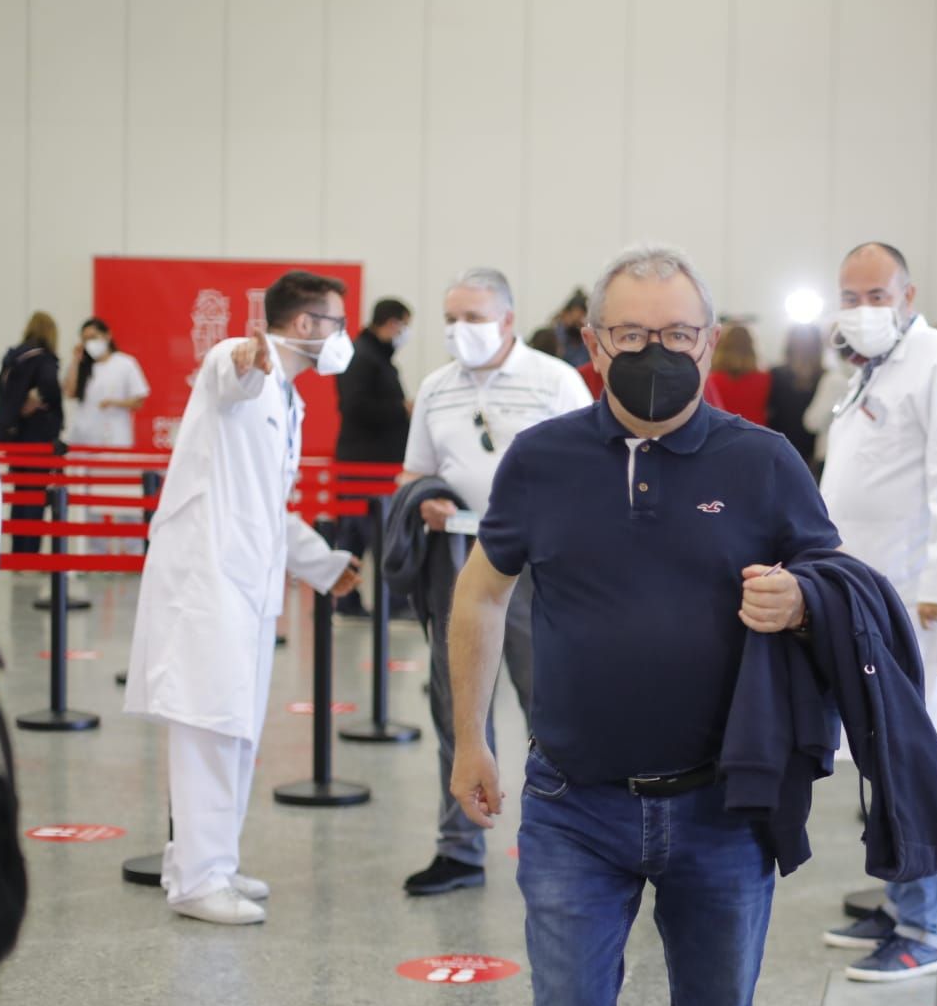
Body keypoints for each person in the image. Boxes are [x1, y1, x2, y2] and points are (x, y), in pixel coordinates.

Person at [445, 243, 839, 1006]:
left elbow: (835, 581)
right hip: (577, 804)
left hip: (722, 806)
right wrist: (469, 737)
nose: (653, 351)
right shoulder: (541, 459)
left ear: (709, 341)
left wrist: (801, 596)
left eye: (673, 334)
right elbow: (481, 593)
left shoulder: (763, 460)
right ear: (591, 340)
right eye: (631, 334)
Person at [124, 270, 362, 925]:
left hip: (248, 586)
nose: (344, 339)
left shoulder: (289, 399)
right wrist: (249, 354)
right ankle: (199, 882)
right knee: (208, 723)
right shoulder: (237, 367)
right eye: (338, 324)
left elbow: (268, 505)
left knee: (239, 727)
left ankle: (212, 863)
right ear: (308, 325)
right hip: (207, 583)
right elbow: (232, 371)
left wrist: (322, 563)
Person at [817, 242, 937, 982]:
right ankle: (901, 898)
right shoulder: (870, 367)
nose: (862, 310)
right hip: (861, 590)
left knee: (906, 756)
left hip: (912, 600)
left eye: (876, 295)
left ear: (910, 292)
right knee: (875, 750)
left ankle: (922, 926)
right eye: (850, 296)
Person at [399, 267, 593, 898]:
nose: (461, 330)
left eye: (474, 318)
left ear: (508, 320)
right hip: (456, 558)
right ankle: (459, 847)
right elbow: (416, 472)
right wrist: (424, 500)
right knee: (458, 707)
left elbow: (592, 472)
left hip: (540, 565)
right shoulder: (435, 387)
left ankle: (572, 843)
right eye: (451, 318)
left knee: (555, 704)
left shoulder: (554, 380)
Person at [333, 298, 412, 615]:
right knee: (379, 535)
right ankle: (390, 602)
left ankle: (350, 600)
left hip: (373, 461)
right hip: (367, 466)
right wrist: (401, 409)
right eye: (404, 325)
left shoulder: (377, 356)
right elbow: (354, 406)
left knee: (356, 536)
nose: (404, 333)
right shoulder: (363, 357)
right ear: (391, 323)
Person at [0, 313, 64, 555]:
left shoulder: (13, 357)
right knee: (35, 494)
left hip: (14, 434)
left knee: (20, 494)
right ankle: (31, 555)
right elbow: (51, 390)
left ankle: (17, 554)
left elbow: (3, 392)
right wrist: (40, 401)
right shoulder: (43, 358)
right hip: (38, 436)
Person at [63, 317, 149, 449]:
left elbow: (139, 400)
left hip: (115, 438)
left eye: (93, 337)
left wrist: (115, 403)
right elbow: (70, 392)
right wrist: (75, 360)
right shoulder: (83, 366)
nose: (89, 343)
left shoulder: (125, 363)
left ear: (107, 335)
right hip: (84, 438)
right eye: (85, 339)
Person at [765, 323, 824, 468]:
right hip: (811, 451)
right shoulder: (825, 376)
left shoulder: (775, 374)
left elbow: (768, 411)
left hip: (781, 447)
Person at [706, 324, 770, 426]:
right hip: (758, 435)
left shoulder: (711, 380)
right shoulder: (766, 379)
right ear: (751, 346)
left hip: (722, 437)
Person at [550, 287, 591, 368]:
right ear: (566, 314)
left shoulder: (585, 337)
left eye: (581, 316)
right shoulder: (556, 335)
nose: (578, 320)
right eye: (574, 317)